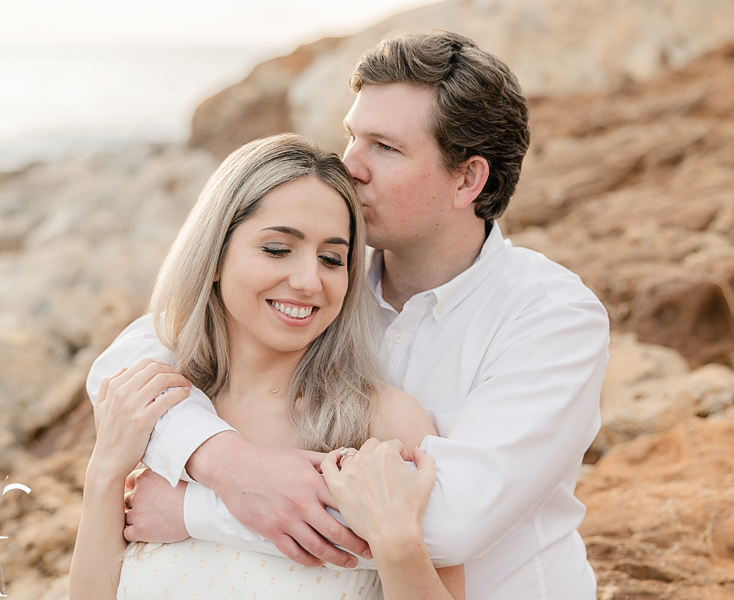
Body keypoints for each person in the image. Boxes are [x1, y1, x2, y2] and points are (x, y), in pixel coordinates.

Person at [88, 31, 610, 599]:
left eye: (385, 147)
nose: (350, 164)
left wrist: (198, 510)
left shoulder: (552, 319)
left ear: (467, 180)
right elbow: (123, 367)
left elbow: (449, 521)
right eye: (351, 135)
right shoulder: (323, 274)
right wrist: (225, 462)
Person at [70, 134, 466, 599]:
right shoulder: (158, 413)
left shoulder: (382, 423)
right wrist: (103, 474)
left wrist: (397, 542)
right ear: (215, 256)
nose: (307, 281)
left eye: (331, 259)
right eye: (278, 249)